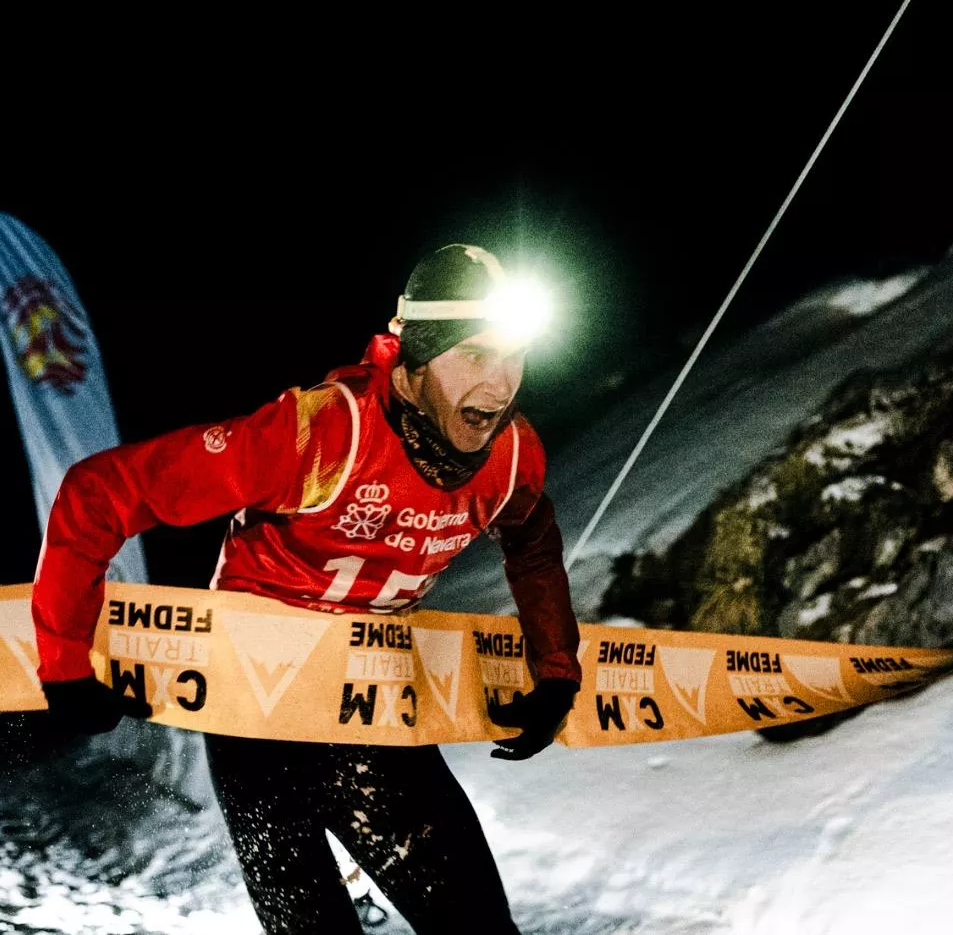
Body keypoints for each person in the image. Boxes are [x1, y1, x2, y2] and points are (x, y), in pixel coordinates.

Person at [31, 243, 582, 934]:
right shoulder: (321, 434)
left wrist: (555, 668)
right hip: (256, 711)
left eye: (514, 357)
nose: (500, 386)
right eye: (475, 355)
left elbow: (533, 543)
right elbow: (99, 493)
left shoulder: (511, 456)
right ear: (412, 364)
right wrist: (65, 665)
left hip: (373, 705)